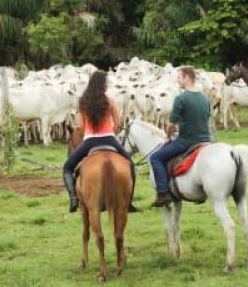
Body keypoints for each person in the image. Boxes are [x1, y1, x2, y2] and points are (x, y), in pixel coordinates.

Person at [62, 70, 139, 213]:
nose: (108, 84)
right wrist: (110, 132)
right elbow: (117, 123)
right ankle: (128, 202)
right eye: (107, 82)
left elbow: (82, 127)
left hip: (90, 141)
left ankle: (73, 198)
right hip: (109, 139)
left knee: (67, 167)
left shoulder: (83, 102)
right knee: (131, 165)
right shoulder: (110, 101)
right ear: (102, 84)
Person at [149, 66, 212, 207]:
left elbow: (171, 124)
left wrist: (168, 136)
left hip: (187, 141)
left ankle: (163, 193)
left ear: (187, 78)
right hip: (206, 140)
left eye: (179, 77)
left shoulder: (181, 98)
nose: (177, 80)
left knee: (155, 158)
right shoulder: (205, 98)